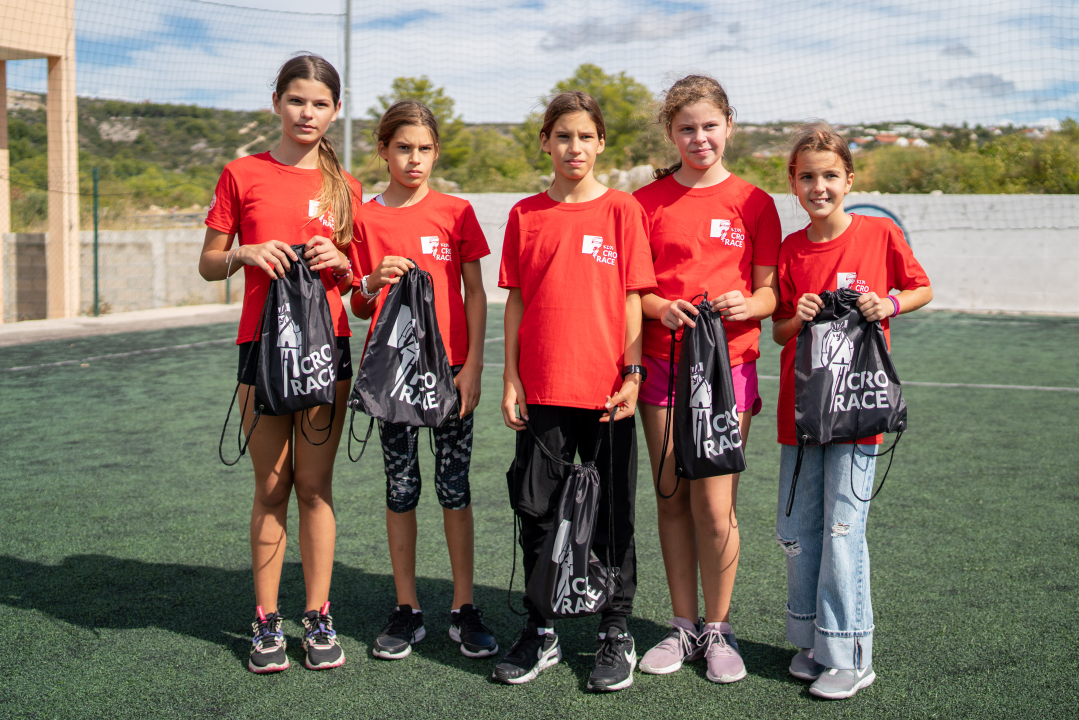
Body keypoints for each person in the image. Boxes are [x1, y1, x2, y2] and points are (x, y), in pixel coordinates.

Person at [198, 54, 359, 673]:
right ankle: (266, 624)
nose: (307, 113)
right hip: (261, 348)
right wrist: (246, 251)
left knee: (315, 488)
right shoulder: (242, 174)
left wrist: (339, 266)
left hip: (326, 349)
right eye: (297, 100)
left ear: (335, 111)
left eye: (320, 103)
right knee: (271, 487)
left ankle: (317, 617)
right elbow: (209, 263)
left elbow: (358, 282)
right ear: (276, 103)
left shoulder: (343, 187)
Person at [495, 91, 657, 691]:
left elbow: (633, 298)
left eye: (586, 137)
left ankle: (616, 630)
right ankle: (541, 629)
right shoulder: (524, 215)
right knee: (535, 510)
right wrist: (510, 375)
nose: (574, 148)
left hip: (608, 391)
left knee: (614, 513)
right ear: (546, 141)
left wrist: (633, 375)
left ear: (601, 144)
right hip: (542, 388)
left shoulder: (622, 211)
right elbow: (514, 301)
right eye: (563, 136)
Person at [771, 122, 933, 699]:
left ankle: (852, 653)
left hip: (858, 413)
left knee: (844, 529)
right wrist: (802, 314)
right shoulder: (791, 248)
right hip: (803, 414)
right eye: (808, 177)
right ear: (793, 183)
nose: (820, 186)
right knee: (797, 531)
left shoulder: (880, 234)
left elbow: (921, 288)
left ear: (849, 179)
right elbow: (779, 330)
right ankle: (815, 640)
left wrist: (886, 301)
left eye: (830, 176)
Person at [633, 75, 781, 683]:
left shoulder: (756, 202)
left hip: (727, 370)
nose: (699, 138)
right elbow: (634, 292)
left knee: (716, 509)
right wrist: (660, 309)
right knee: (671, 497)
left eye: (709, 126)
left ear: (730, 126)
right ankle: (682, 625)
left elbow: (772, 291)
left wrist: (751, 304)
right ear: (671, 132)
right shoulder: (643, 203)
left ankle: (719, 630)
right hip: (664, 366)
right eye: (686, 128)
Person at [347, 100, 496, 660]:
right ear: (383, 150)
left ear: (436, 152)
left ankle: (463, 605)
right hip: (393, 383)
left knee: (454, 488)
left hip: (451, 375)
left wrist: (474, 365)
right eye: (403, 147)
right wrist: (368, 281)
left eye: (425, 149)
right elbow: (360, 305)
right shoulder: (364, 218)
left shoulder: (456, 212)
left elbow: (476, 294)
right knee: (402, 489)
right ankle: (406, 607)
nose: (414, 159)